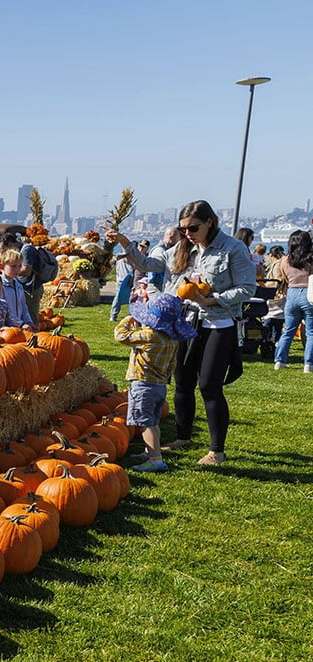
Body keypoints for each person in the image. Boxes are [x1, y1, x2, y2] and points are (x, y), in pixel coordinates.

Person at [109, 200, 256, 467]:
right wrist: (124, 242)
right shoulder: (181, 248)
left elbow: (247, 287)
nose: (187, 233)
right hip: (183, 321)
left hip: (217, 322)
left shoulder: (232, 249)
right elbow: (147, 263)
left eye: (192, 228)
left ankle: (216, 450)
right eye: (183, 228)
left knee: (209, 385)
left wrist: (214, 299)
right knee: (182, 381)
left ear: (209, 222)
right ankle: (183, 436)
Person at [114, 293, 198, 473]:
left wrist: (129, 320)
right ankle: (150, 451)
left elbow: (120, 336)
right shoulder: (172, 340)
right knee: (153, 422)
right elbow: (172, 364)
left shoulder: (149, 336)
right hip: (159, 387)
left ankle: (155, 461)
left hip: (143, 385)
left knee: (146, 424)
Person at [272, 229, 313, 372]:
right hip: (309, 293)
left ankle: (279, 360)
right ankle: (308, 363)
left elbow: (285, 277)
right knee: (311, 332)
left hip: (292, 293)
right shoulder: (310, 259)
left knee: (288, 330)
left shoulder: (285, 260)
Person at [0, 249, 35, 329]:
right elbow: (4, 311)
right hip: (4, 328)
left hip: (19, 327)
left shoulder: (19, 286)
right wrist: (20, 324)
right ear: (1, 267)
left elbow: (24, 307)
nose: (17, 269)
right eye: (13, 266)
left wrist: (28, 321)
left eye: (19, 266)